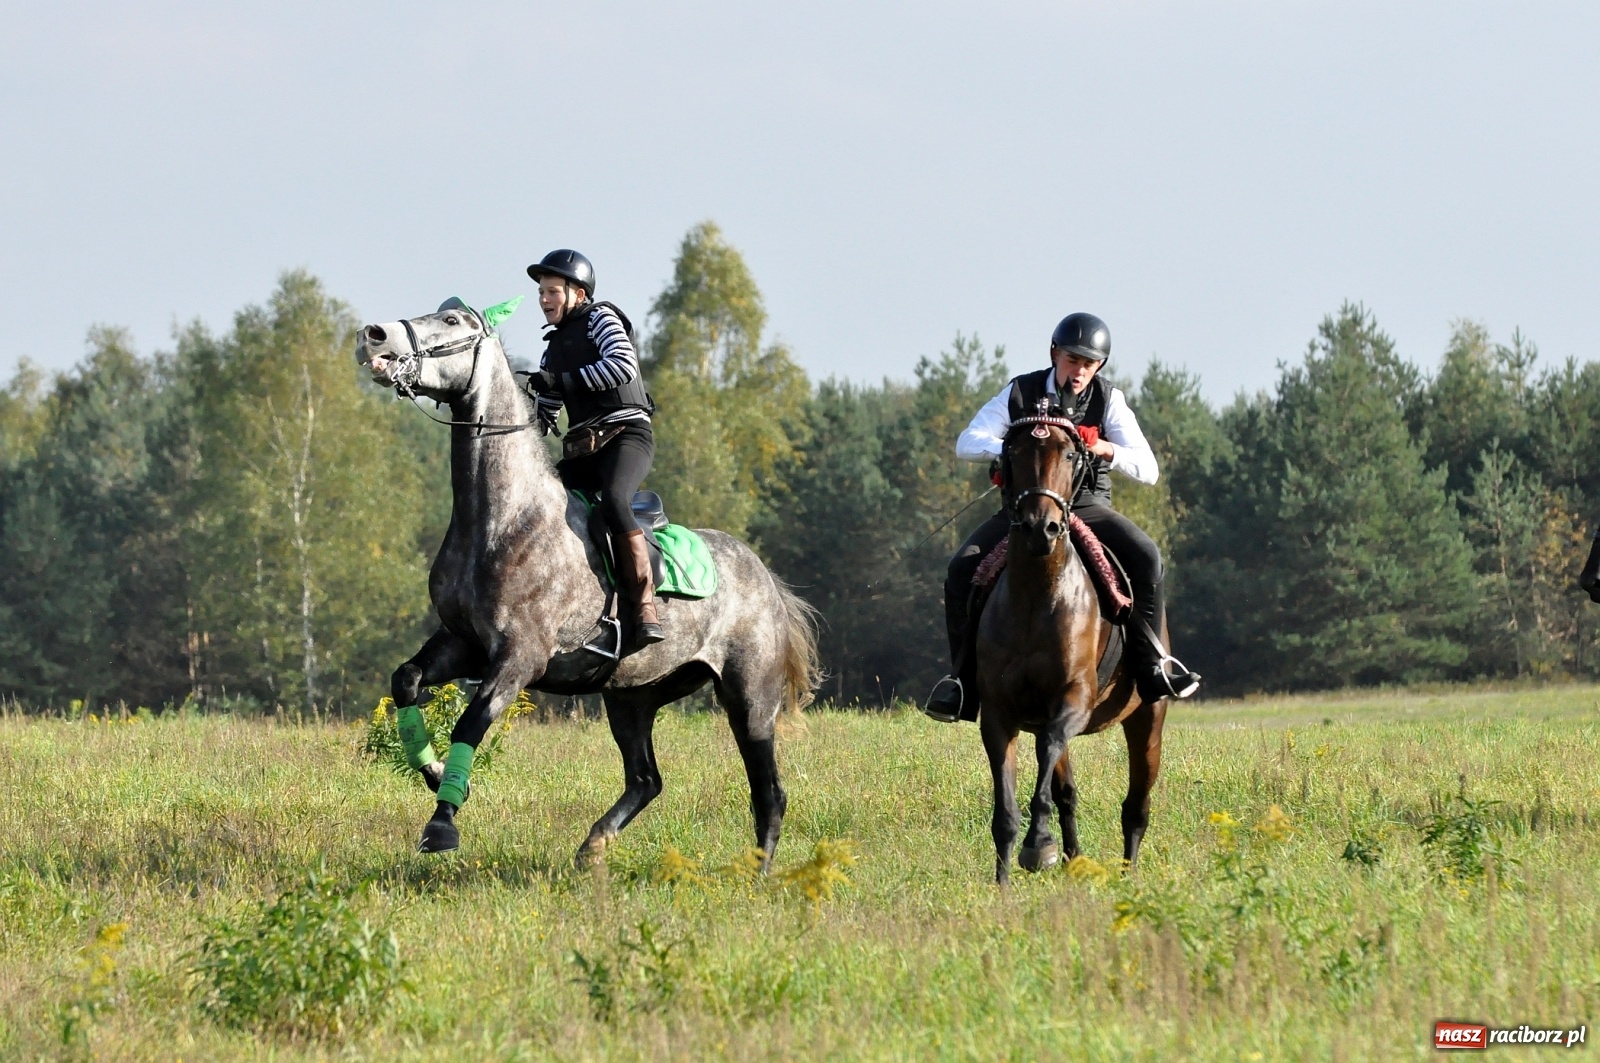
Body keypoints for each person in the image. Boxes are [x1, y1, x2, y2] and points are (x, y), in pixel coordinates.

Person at [923, 312, 1199, 722]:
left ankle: (1152, 665)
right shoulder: (1020, 391)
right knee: (961, 567)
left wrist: (1105, 448)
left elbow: (1149, 469)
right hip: (1025, 508)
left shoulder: (1109, 399)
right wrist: (1012, 447)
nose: (1080, 371)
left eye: (1089, 363)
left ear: (1100, 365)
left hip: (1087, 506)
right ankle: (962, 683)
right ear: (1054, 353)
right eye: (1073, 360)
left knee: (1147, 557)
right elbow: (968, 441)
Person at [522, 249, 663, 651]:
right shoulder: (552, 348)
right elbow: (544, 417)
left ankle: (644, 604)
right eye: (541, 293)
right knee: (538, 504)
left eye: (552, 291)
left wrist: (559, 381)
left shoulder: (602, 319)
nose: (544, 299)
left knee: (615, 500)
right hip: (585, 451)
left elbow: (622, 367)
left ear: (578, 294)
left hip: (626, 437)